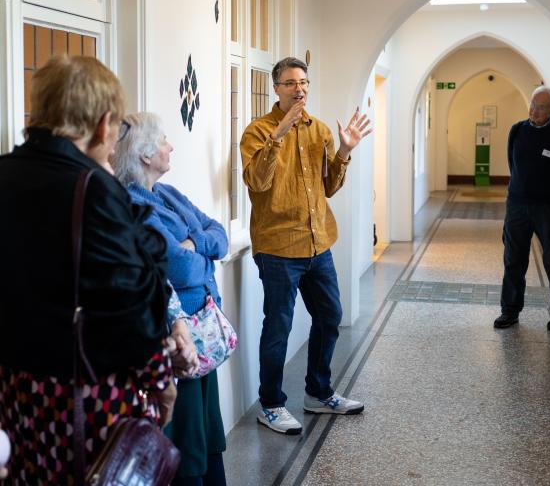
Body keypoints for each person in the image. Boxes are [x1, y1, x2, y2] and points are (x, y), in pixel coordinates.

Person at [0, 56, 178, 484]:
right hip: (84, 398)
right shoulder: (93, 189)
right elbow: (133, 305)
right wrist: (162, 382)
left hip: (14, 393)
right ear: (102, 125)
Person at [240, 56, 371, 435]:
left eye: (304, 82)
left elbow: (329, 187)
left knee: (330, 316)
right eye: (291, 83)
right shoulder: (256, 132)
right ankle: (270, 405)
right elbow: (257, 182)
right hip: (278, 247)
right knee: (278, 327)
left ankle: (318, 393)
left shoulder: (320, 131)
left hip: (318, 243)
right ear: (276, 88)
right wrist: (278, 135)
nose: (299, 89)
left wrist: (344, 151)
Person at [111, 111, 228, 486]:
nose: (170, 147)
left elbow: (220, 234)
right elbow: (178, 269)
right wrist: (204, 261)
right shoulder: (132, 204)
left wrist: (196, 244)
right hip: (178, 342)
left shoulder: (168, 193)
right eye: (163, 141)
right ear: (145, 155)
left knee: (208, 438)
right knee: (188, 445)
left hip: (204, 334)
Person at [494, 86, 550, 330]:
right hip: (517, 205)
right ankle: (510, 310)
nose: (534, 110)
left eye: (541, 107)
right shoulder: (517, 130)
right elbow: (513, 166)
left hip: (548, 207)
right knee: (513, 259)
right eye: (532, 104)